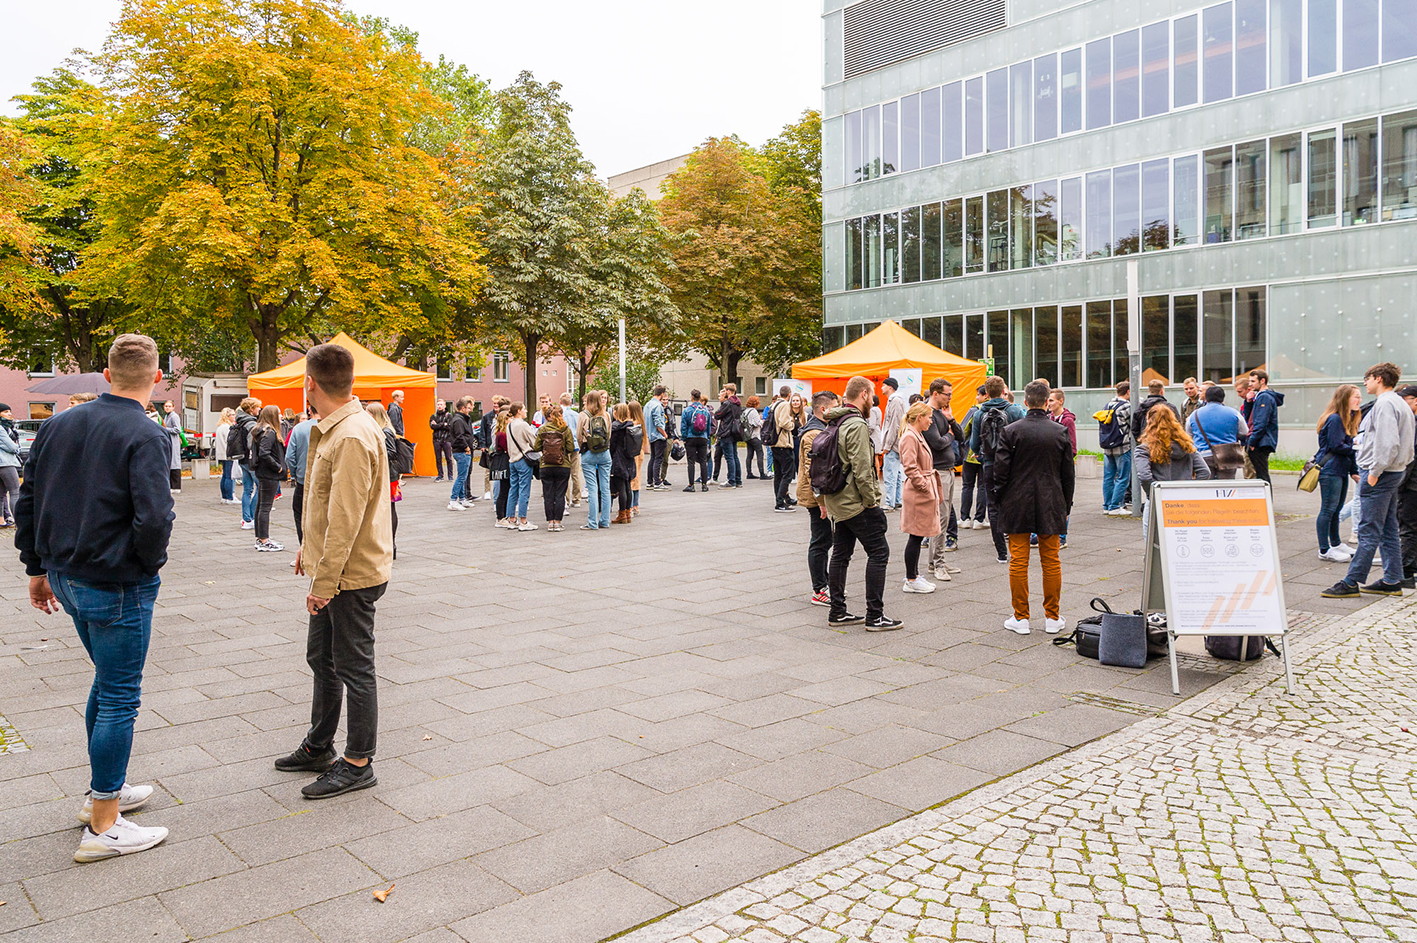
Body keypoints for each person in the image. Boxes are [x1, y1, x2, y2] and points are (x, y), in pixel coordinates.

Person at [16, 333, 174, 861]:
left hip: (66, 574)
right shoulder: (145, 433)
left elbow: (29, 497)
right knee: (120, 696)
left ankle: (103, 790)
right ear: (156, 378)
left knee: (107, 685)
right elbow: (154, 516)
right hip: (116, 582)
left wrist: (36, 568)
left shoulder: (58, 423)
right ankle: (104, 823)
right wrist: (146, 566)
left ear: (106, 374)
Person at [278, 343, 392, 799]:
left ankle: (359, 760)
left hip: (351, 575)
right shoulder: (336, 427)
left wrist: (324, 583)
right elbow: (326, 507)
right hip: (336, 569)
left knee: (353, 666)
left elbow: (345, 517)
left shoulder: (349, 435)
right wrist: (310, 551)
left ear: (309, 383)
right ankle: (319, 745)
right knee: (321, 659)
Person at [1323, 363, 1416, 599]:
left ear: (1378, 378)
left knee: (1368, 529)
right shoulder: (1398, 402)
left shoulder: (1385, 404)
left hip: (1380, 473)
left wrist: (1375, 471)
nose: (1365, 383)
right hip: (1393, 471)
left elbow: (1388, 443)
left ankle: (1351, 582)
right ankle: (1393, 579)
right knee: (1387, 529)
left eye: (1367, 378)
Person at [991, 380, 1074, 636]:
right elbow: (1067, 473)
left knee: (1018, 560)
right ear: (1047, 401)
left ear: (1025, 401)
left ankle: (1021, 617)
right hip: (1051, 500)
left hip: (1018, 500)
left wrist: (1001, 498)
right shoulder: (1059, 432)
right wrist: (1066, 503)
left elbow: (1000, 471)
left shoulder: (1011, 431)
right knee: (1051, 561)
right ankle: (1052, 616)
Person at [820, 376, 901, 631]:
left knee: (841, 554)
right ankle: (875, 616)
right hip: (855, 501)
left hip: (837, 499)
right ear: (864, 394)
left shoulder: (835, 420)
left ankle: (837, 611)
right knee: (879, 552)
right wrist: (873, 503)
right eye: (873, 393)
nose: (874, 398)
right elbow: (863, 469)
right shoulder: (855, 423)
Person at [969, 376, 1026, 563]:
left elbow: (974, 443)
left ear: (986, 393)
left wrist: (980, 454)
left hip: (990, 464)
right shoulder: (1015, 411)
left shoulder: (979, 413)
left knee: (993, 507)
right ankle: (1017, 548)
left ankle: (1001, 553)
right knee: (1014, 504)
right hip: (1012, 465)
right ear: (1004, 391)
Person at [1135, 404, 1212, 541]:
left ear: (1149, 423)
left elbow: (1145, 476)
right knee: (1182, 539)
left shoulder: (1144, 449)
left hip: (1158, 499)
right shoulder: (1188, 447)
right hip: (1183, 500)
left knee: (1153, 541)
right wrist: (1189, 489)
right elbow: (1204, 472)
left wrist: (1152, 494)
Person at [798, 390, 838, 607]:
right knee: (820, 541)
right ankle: (819, 589)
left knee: (825, 539)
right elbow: (813, 471)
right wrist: (822, 502)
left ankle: (825, 583)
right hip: (816, 498)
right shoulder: (813, 433)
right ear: (824, 409)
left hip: (820, 495)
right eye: (835, 405)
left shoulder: (820, 429)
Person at [898, 402, 942, 595]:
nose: (931, 421)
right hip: (918, 492)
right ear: (919, 417)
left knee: (918, 535)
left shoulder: (914, 435)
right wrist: (923, 485)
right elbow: (909, 466)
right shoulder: (910, 436)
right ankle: (911, 578)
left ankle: (913, 575)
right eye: (929, 417)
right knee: (916, 535)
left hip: (921, 490)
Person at [1314, 385, 1362, 562]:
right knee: (1328, 509)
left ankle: (1335, 544)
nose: (1359, 400)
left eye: (1359, 397)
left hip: (1339, 469)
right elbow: (1337, 446)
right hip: (1330, 470)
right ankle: (1324, 549)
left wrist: (1353, 471)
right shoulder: (1335, 419)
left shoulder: (1346, 418)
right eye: (1355, 397)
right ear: (1344, 398)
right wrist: (1357, 447)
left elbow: (1344, 448)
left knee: (1336, 510)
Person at [923, 378, 965, 576]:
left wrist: (951, 422)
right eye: (947, 394)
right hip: (938, 471)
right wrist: (949, 436)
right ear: (936, 393)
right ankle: (937, 563)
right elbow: (938, 443)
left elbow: (961, 436)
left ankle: (936, 561)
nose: (950, 397)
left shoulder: (941, 413)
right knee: (940, 518)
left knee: (944, 517)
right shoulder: (928, 414)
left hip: (947, 470)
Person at [1187, 385, 1249, 479]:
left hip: (1203, 454)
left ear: (1206, 398)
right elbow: (1244, 431)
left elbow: (1188, 434)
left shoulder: (1194, 414)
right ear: (1222, 398)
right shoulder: (1234, 413)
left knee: (1206, 486)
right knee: (1226, 488)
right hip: (1228, 455)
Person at [365, 402, 402, 556]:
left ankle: (391, 544)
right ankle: (389, 544)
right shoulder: (384, 429)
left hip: (388, 476)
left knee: (389, 508)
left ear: (373, 415)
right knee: (388, 508)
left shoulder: (385, 431)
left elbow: (391, 452)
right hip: (389, 475)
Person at [251, 405, 288, 552]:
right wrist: (277, 466)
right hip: (270, 474)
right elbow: (264, 453)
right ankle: (264, 539)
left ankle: (260, 537)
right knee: (265, 506)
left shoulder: (259, 431)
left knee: (261, 505)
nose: (281, 416)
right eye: (278, 414)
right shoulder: (270, 433)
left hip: (263, 472)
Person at [534, 403, 573, 531]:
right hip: (563, 465)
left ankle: (550, 522)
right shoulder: (565, 429)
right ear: (561, 415)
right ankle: (558, 521)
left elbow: (536, 447)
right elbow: (571, 448)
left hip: (546, 465)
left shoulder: (543, 429)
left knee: (548, 494)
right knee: (560, 494)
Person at [1046, 390, 1077, 550]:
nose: (1049, 403)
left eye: (1052, 400)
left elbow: (1072, 447)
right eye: (1048, 400)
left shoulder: (1067, 421)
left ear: (1061, 401)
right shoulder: (1049, 418)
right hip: (1049, 465)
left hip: (1061, 466)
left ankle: (1062, 537)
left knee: (1064, 499)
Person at [578, 391, 613, 529]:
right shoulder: (606, 415)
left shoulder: (583, 415)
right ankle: (605, 520)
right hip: (605, 453)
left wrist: (584, 448)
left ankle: (592, 522)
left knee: (592, 488)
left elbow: (579, 436)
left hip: (589, 452)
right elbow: (609, 434)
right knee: (605, 487)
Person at [1099, 381, 1133, 515]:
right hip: (1122, 446)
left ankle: (1107, 506)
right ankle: (1115, 506)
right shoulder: (1126, 406)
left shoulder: (1107, 405)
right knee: (1123, 477)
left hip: (1107, 447)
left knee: (1108, 477)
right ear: (1128, 391)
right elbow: (1133, 425)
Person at [286, 405, 317, 549]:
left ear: (310, 410)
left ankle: (305, 550)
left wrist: (295, 474)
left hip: (304, 479)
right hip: (329, 481)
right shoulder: (336, 426)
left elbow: (290, 457)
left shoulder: (299, 429)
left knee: (301, 516)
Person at [1245, 370, 1283, 485]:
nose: (1250, 384)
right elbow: (1247, 417)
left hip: (1261, 442)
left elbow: (1261, 422)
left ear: (1262, 381)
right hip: (1261, 441)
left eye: (1253, 381)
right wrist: (1248, 402)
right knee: (1261, 474)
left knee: (1262, 476)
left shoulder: (1264, 397)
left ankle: (1266, 501)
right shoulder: (1259, 397)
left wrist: (1252, 441)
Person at [959, 386, 988, 528]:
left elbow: (963, 430)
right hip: (987, 454)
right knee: (983, 486)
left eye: (978, 395)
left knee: (967, 486)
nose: (977, 397)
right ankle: (980, 519)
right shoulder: (997, 410)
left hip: (971, 454)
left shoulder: (974, 410)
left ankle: (964, 518)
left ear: (985, 395)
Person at [505, 402, 537, 531]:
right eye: (524, 409)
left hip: (512, 460)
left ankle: (511, 518)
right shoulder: (523, 425)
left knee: (513, 489)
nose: (526, 411)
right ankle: (523, 520)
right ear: (518, 411)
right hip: (523, 460)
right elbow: (533, 442)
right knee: (524, 490)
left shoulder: (509, 425)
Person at [1397, 385, 1417, 589]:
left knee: (1408, 527)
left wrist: (1399, 484)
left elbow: (1411, 458)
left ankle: (1406, 572)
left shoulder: (1414, 424)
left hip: (1412, 486)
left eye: (1405, 399)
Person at [879, 377, 908, 511]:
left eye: (884, 385)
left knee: (890, 474)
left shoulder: (895, 401)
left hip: (893, 444)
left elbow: (894, 425)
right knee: (895, 474)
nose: (881, 388)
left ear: (890, 387)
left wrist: (887, 445)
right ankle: (896, 500)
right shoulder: (895, 400)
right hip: (896, 443)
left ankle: (890, 502)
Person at [609, 403, 639, 524]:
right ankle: (627, 513)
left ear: (616, 412)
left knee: (621, 486)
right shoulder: (630, 426)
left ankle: (622, 514)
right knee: (627, 486)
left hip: (618, 458)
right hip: (629, 458)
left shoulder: (616, 427)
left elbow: (612, 446)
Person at [234, 397, 261, 528]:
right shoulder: (251, 424)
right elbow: (252, 444)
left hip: (242, 459)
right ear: (251, 409)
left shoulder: (239, 420)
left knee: (247, 490)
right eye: (257, 407)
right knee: (260, 487)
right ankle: (251, 517)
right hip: (251, 460)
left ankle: (246, 519)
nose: (259, 409)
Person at [770, 385, 798, 511]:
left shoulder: (774, 404)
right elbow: (784, 423)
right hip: (783, 443)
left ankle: (781, 499)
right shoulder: (785, 405)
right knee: (787, 474)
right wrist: (793, 424)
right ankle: (780, 502)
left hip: (774, 443)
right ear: (789, 394)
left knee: (778, 474)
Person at [447, 396, 477, 511]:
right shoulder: (459, 420)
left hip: (461, 450)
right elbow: (459, 436)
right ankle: (453, 500)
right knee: (461, 477)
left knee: (463, 476)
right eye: (468, 408)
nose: (470, 410)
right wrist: (466, 447)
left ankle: (462, 498)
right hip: (461, 451)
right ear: (463, 408)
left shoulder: (461, 419)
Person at [681, 391, 712, 492]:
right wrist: (707, 437)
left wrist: (684, 438)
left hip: (691, 438)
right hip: (703, 438)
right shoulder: (706, 410)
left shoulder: (687, 410)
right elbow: (708, 426)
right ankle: (704, 485)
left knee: (691, 462)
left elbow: (684, 426)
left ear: (692, 398)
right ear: (700, 398)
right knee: (703, 461)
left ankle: (691, 485)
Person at [713, 384, 744, 488]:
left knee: (729, 457)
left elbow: (717, 415)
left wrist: (722, 403)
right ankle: (738, 480)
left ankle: (731, 481)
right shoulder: (738, 403)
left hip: (726, 432)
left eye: (725, 390)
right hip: (735, 431)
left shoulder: (727, 403)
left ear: (728, 391)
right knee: (735, 456)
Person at [489, 405, 512, 526]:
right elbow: (507, 448)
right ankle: (500, 517)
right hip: (504, 461)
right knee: (504, 491)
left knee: (505, 490)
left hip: (503, 460)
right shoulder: (502, 434)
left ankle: (504, 515)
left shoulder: (500, 433)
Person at [561, 393, 585, 506]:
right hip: (575, 446)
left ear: (560, 402)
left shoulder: (560, 415)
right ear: (570, 402)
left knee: (565, 473)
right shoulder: (576, 415)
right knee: (575, 473)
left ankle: (566, 499)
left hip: (564, 446)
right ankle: (576, 498)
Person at [0, 403, 20, 527]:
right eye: (6, 412)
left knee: (1, 494)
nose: (9, 414)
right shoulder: (1, 429)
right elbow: (13, 447)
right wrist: (16, 447)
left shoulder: (7, 429)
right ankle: (19, 521)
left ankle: (1, 520)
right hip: (6, 463)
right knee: (15, 491)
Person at [645, 386, 669, 490]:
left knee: (653, 458)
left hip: (650, 435)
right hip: (658, 436)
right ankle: (657, 482)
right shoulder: (658, 406)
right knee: (658, 459)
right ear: (662, 394)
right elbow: (658, 422)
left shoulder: (647, 405)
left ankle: (650, 481)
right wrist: (664, 433)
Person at [214, 406, 237, 504]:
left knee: (225, 475)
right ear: (228, 416)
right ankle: (229, 497)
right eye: (232, 414)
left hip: (221, 453)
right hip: (228, 454)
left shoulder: (220, 426)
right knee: (229, 476)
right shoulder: (227, 427)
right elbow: (230, 441)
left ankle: (224, 496)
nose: (234, 416)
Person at [628, 400, 648, 515]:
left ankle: (631, 506)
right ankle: (636, 505)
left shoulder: (632, 423)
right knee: (638, 477)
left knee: (632, 478)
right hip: (639, 452)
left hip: (633, 453)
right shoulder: (641, 422)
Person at [161, 400, 183, 492]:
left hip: (174, 442)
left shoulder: (174, 416)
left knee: (175, 463)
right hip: (169, 441)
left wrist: (166, 429)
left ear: (173, 407)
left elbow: (178, 429)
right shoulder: (166, 416)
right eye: (166, 406)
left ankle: (176, 486)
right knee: (170, 462)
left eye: (169, 406)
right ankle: (171, 485)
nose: (167, 408)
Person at [430, 398, 454, 482]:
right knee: (438, 458)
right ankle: (440, 475)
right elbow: (432, 426)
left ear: (444, 405)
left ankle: (450, 475)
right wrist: (443, 424)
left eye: (441, 404)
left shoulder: (449, 416)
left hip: (446, 439)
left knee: (449, 458)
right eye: (438, 405)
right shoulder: (434, 416)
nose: (439, 406)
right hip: (436, 440)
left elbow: (450, 427)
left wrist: (438, 425)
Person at [743, 394, 766, 479]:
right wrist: (762, 421)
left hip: (747, 436)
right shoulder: (754, 411)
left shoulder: (746, 411)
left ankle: (749, 473)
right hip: (755, 435)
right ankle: (762, 474)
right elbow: (756, 423)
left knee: (749, 454)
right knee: (760, 453)